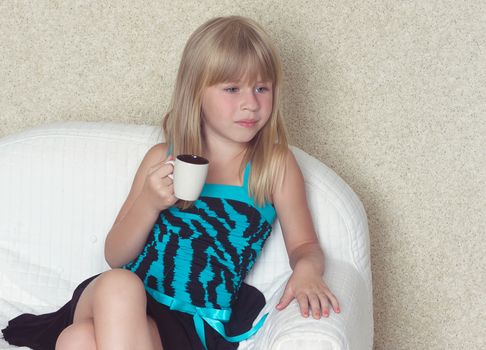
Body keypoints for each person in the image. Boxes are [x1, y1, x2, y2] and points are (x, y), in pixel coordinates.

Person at [2, 15, 340, 350]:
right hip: (121, 298)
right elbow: (115, 255)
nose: (251, 103)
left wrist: (308, 270)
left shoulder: (274, 165)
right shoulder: (162, 158)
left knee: (77, 341)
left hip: (193, 322)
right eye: (232, 88)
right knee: (120, 285)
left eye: (262, 88)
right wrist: (149, 203)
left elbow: (304, 245)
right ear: (196, 93)